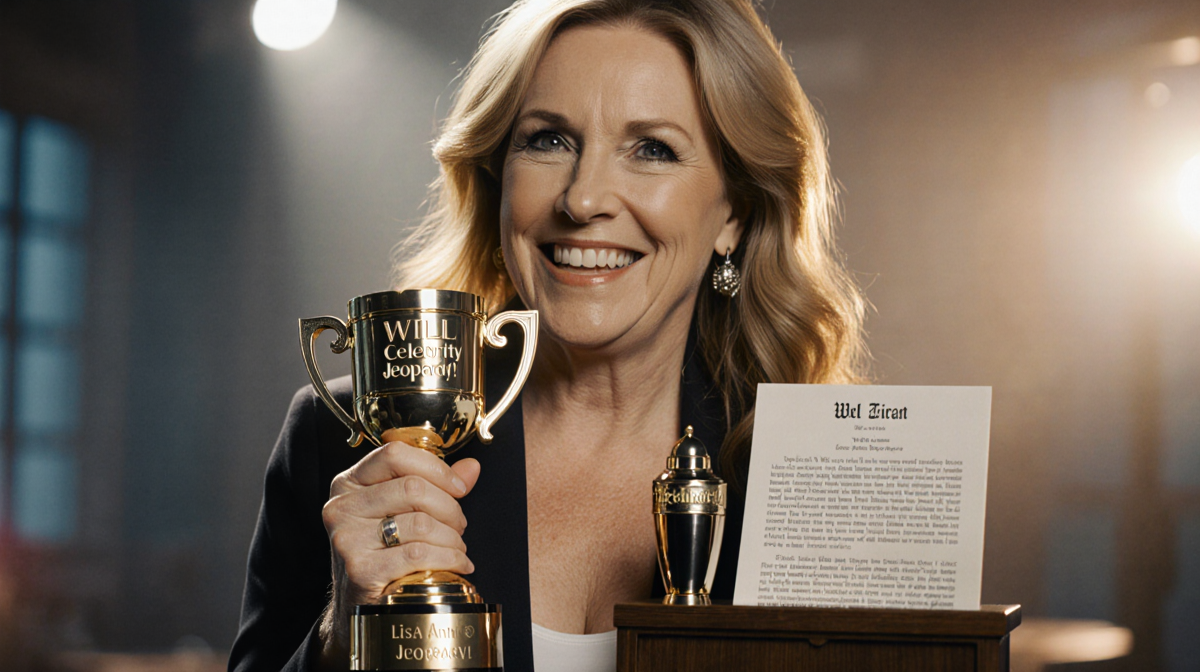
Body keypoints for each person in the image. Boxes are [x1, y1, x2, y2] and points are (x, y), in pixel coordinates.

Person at [229, 1, 866, 670]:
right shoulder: (340, 438)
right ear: (496, 176)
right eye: (548, 140)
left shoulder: (812, 474)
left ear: (734, 212)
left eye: (652, 149)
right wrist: (342, 637)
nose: (584, 198)